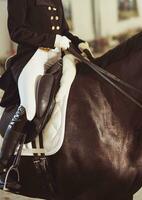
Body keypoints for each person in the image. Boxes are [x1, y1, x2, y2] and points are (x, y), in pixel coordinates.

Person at [0, 0, 92, 190]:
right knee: (30, 107)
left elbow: (63, 30)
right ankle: (3, 168)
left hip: (56, 56)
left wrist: (77, 42)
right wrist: (52, 41)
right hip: (32, 58)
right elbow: (16, 31)